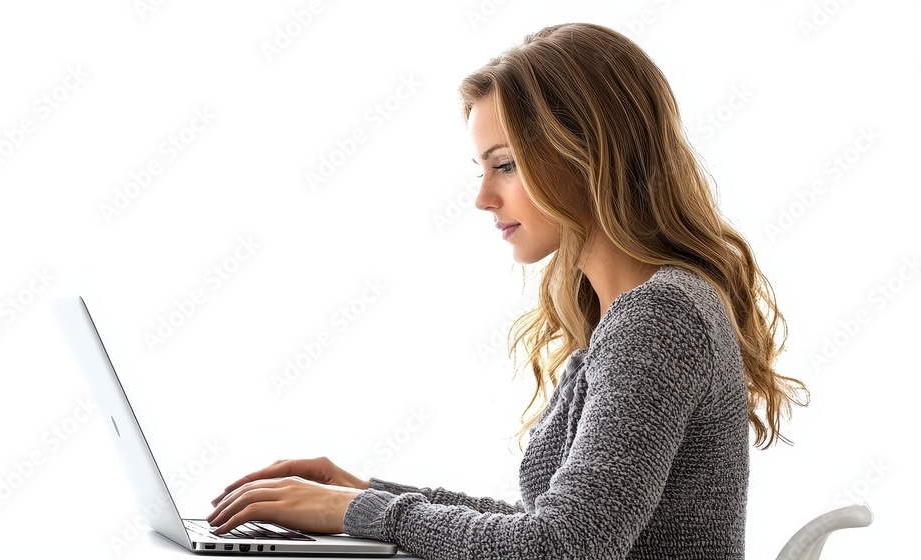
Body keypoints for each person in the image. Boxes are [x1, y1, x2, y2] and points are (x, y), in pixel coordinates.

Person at [206, 22, 807, 558]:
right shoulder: (636, 312)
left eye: (507, 164)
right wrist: (365, 494)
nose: (483, 198)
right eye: (482, 169)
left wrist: (354, 514)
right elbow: (548, 526)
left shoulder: (660, 316)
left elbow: (564, 548)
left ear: (587, 154)